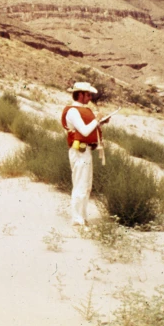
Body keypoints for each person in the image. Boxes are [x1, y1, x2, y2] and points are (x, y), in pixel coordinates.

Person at [61, 82, 112, 227]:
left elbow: (88, 129)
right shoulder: (72, 111)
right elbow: (84, 131)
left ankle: (82, 216)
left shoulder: (81, 110)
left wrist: (100, 122)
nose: (90, 97)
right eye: (88, 94)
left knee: (86, 185)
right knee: (80, 184)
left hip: (85, 151)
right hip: (79, 152)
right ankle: (77, 219)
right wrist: (97, 120)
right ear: (81, 94)